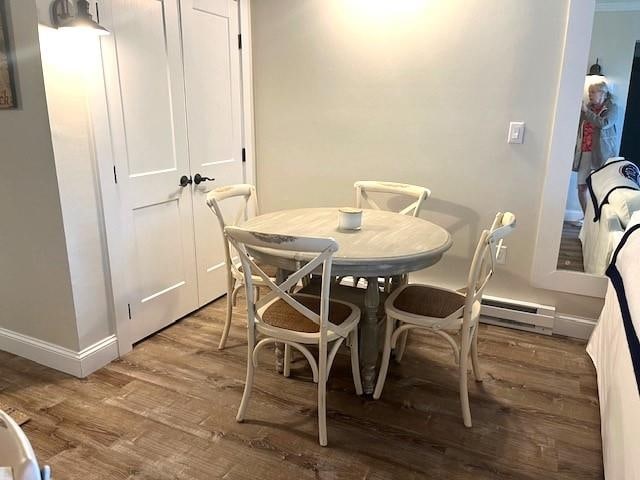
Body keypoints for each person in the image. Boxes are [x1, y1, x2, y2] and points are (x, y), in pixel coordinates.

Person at [573, 81, 619, 215]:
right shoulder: (587, 108)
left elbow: (604, 123)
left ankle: (598, 218)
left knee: (598, 188)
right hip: (584, 152)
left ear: (603, 93)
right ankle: (586, 218)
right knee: (582, 187)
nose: (590, 95)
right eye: (589, 92)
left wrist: (586, 112)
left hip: (601, 154)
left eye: (593, 92)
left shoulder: (612, 108)